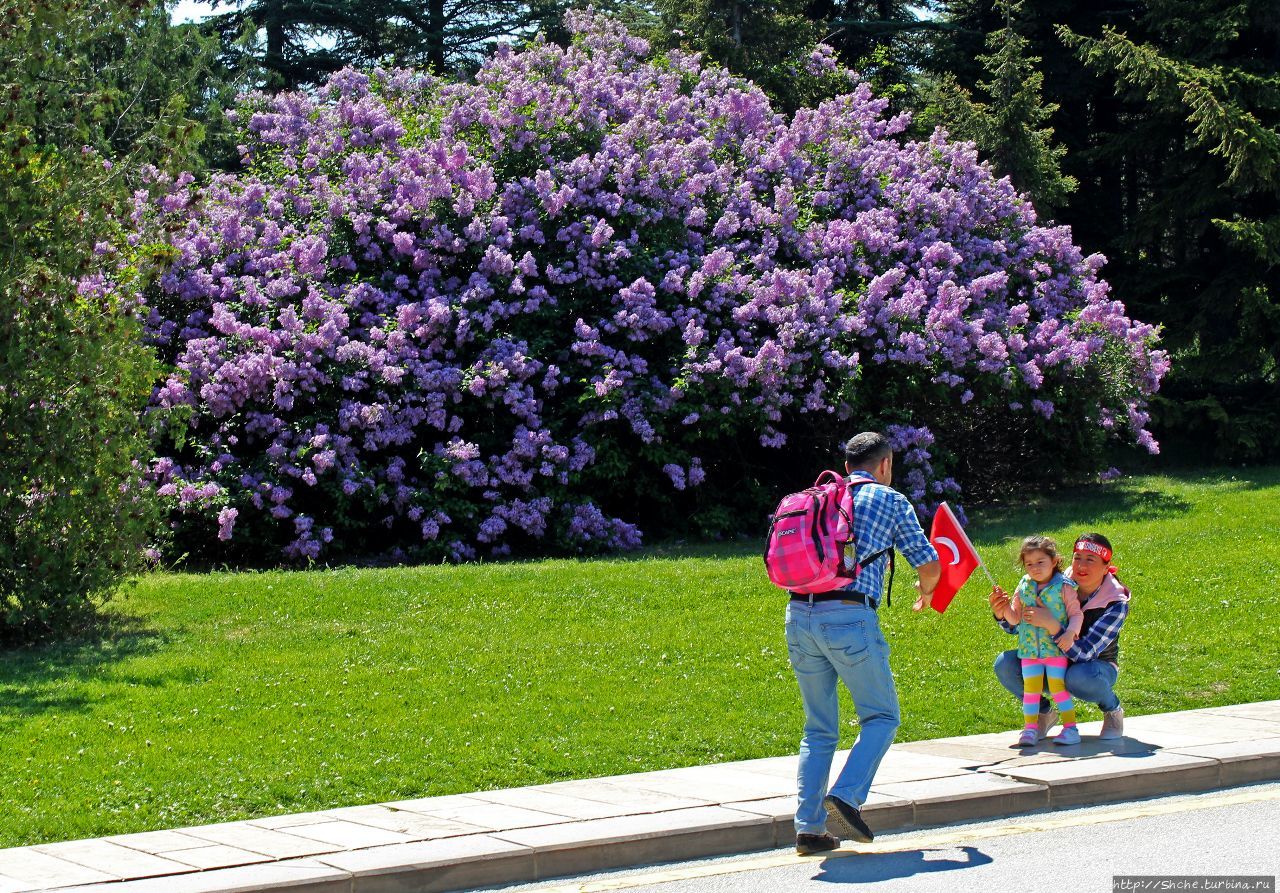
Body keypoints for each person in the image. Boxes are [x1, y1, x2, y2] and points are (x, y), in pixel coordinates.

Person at [786, 432, 941, 856]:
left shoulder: (817, 494)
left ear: (849, 462)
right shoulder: (890, 501)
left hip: (799, 615)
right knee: (882, 717)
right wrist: (928, 591)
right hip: (850, 617)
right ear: (885, 464)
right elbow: (927, 562)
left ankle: (809, 828)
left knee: (818, 729)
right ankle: (847, 796)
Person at [990, 532, 1130, 741]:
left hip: (1093, 667)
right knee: (1005, 664)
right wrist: (1002, 613)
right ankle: (1044, 714)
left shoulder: (1114, 602)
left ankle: (1112, 710)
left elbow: (1085, 654)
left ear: (1106, 566)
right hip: (1049, 657)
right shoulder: (1055, 582)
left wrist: (1053, 626)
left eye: (1090, 560)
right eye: (1077, 558)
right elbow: (1020, 628)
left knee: (1078, 676)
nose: (1081, 566)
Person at [991, 535, 1084, 747]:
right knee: (1031, 693)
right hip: (1029, 652)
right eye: (1029, 564)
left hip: (1055, 651)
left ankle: (1071, 728)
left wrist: (1071, 633)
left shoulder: (1064, 587)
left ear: (1054, 561)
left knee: (1058, 688)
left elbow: (1076, 614)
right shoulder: (1023, 586)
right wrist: (1003, 607)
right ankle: (1030, 729)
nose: (1035, 568)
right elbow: (1015, 618)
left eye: (1040, 562)